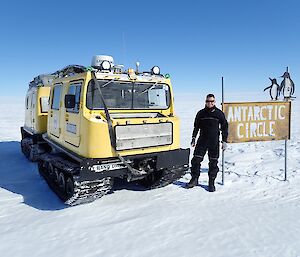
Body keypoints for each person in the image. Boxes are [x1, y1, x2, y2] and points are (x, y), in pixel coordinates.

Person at [186, 94, 228, 192]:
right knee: (196, 160)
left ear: (214, 102)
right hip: (202, 141)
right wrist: (193, 138)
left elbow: (224, 127)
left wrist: (224, 140)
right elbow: (196, 127)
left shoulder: (219, 113)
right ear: (205, 102)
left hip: (214, 142)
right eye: (208, 101)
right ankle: (194, 179)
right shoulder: (201, 113)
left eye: (212, 101)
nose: (210, 103)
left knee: (213, 162)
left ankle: (211, 182)